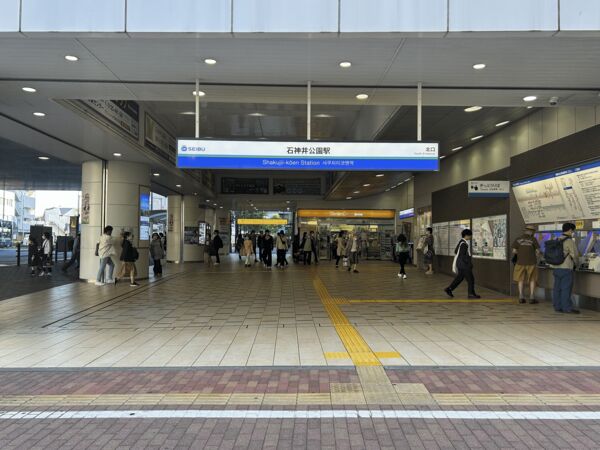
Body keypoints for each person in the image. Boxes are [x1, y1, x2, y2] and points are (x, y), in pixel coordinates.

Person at [549, 222, 580, 314]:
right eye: (573, 231)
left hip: (556, 267)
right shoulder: (569, 241)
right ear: (570, 230)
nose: (572, 232)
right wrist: (577, 264)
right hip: (566, 268)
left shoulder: (557, 239)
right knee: (566, 289)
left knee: (557, 288)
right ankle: (567, 308)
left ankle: (557, 306)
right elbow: (575, 255)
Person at [445, 229, 480, 299]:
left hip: (460, 264)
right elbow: (463, 255)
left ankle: (449, 289)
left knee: (460, 278)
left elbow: (456, 251)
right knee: (471, 279)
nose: (470, 237)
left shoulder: (461, 242)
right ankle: (471, 294)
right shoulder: (464, 244)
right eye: (470, 235)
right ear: (466, 235)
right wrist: (469, 263)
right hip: (464, 265)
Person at [512, 225, 541, 304]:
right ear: (532, 232)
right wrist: (535, 254)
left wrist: (521, 253)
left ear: (525, 231)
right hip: (531, 262)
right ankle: (532, 297)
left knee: (520, 279)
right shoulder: (533, 239)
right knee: (532, 279)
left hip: (520, 262)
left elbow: (514, 251)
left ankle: (521, 297)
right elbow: (538, 251)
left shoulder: (518, 239)